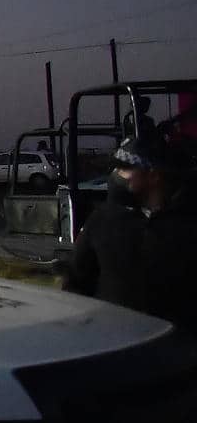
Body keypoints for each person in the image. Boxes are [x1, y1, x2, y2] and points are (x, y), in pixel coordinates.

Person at [62, 135, 197, 334]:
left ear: (153, 176)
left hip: (177, 350)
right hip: (112, 344)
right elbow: (76, 282)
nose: (116, 175)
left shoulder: (188, 224)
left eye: (125, 168)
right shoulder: (102, 220)